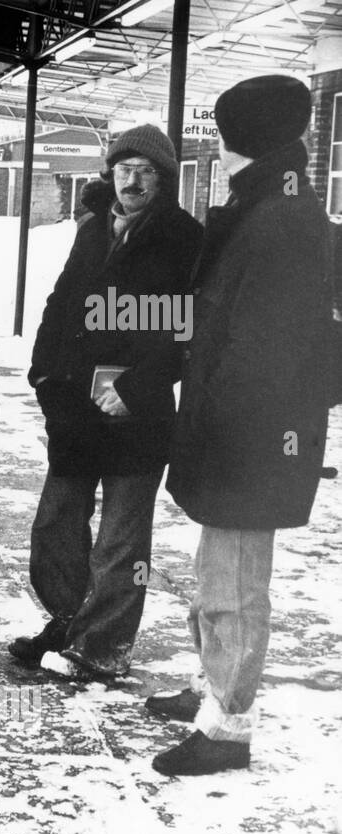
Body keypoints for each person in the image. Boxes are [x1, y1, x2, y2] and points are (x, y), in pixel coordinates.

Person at [149, 76, 332, 776]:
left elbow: (264, 348)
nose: (217, 150)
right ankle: (211, 686)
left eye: (222, 137)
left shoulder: (280, 219)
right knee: (213, 575)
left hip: (249, 437)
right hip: (237, 430)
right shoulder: (269, 206)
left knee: (235, 583)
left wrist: (219, 422)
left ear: (240, 143)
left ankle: (228, 725)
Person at [9, 125, 203, 679]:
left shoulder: (185, 239)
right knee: (55, 527)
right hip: (75, 405)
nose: (133, 180)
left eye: (146, 171)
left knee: (121, 541)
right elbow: (61, 301)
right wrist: (45, 371)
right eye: (124, 169)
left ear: (162, 179)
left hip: (136, 414)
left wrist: (135, 388)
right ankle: (71, 620)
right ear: (110, 174)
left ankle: (102, 647)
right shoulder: (93, 230)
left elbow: (186, 328)